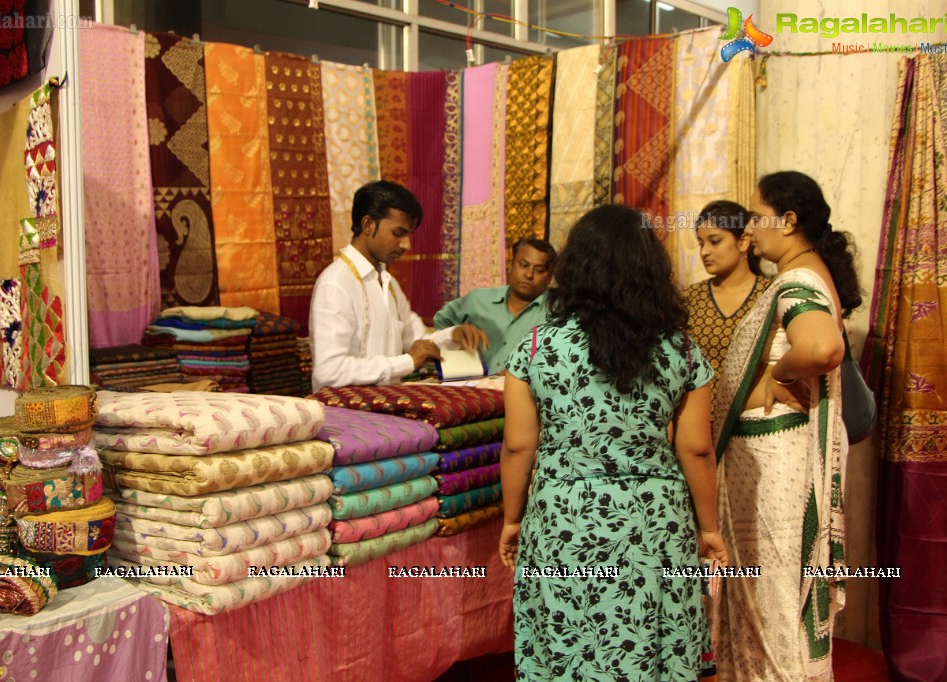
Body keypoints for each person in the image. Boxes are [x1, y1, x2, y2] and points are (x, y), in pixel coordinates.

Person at [498, 204, 728, 681]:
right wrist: (709, 529)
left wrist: (512, 518)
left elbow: (519, 446)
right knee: (651, 638)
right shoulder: (682, 349)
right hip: (654, 520)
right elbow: (697, 450)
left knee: (568, 644)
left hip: (564, 517)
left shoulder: (537, 347)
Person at [712, 171, 861, 681]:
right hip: (776, 461)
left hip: (775, 467)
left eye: (755, 216)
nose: (749, 230)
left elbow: (822, 348)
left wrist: (777, 373)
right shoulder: (810, 273)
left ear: (789, 220)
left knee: (772, 598)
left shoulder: (798, 280)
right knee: (774, 596)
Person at [309, 181, 486, 391]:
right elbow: (329, 371)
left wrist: (453, 336)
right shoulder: (336, 283)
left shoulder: (387, 283)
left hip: (384, 406)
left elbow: (417, 342)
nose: (406, 245)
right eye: (398, 233)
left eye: (408, 234)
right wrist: (406, 362)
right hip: (344, 414)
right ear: (368, 225)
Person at [433, 238, 556, 374]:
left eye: (539, 270)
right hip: (472, 388)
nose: (529, 274)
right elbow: (441, 322)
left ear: (550, 277)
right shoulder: (478, 299)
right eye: (523, 265)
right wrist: (457, 343)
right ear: (511, 265)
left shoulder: (556, 312)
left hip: (522, 392)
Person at [683, 200, 770, 386]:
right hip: (700, 412)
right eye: (701, 244)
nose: (705, 252)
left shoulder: (769, 294)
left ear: (743, 241)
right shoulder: (689, 298)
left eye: (715, 241)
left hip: (753, 410)